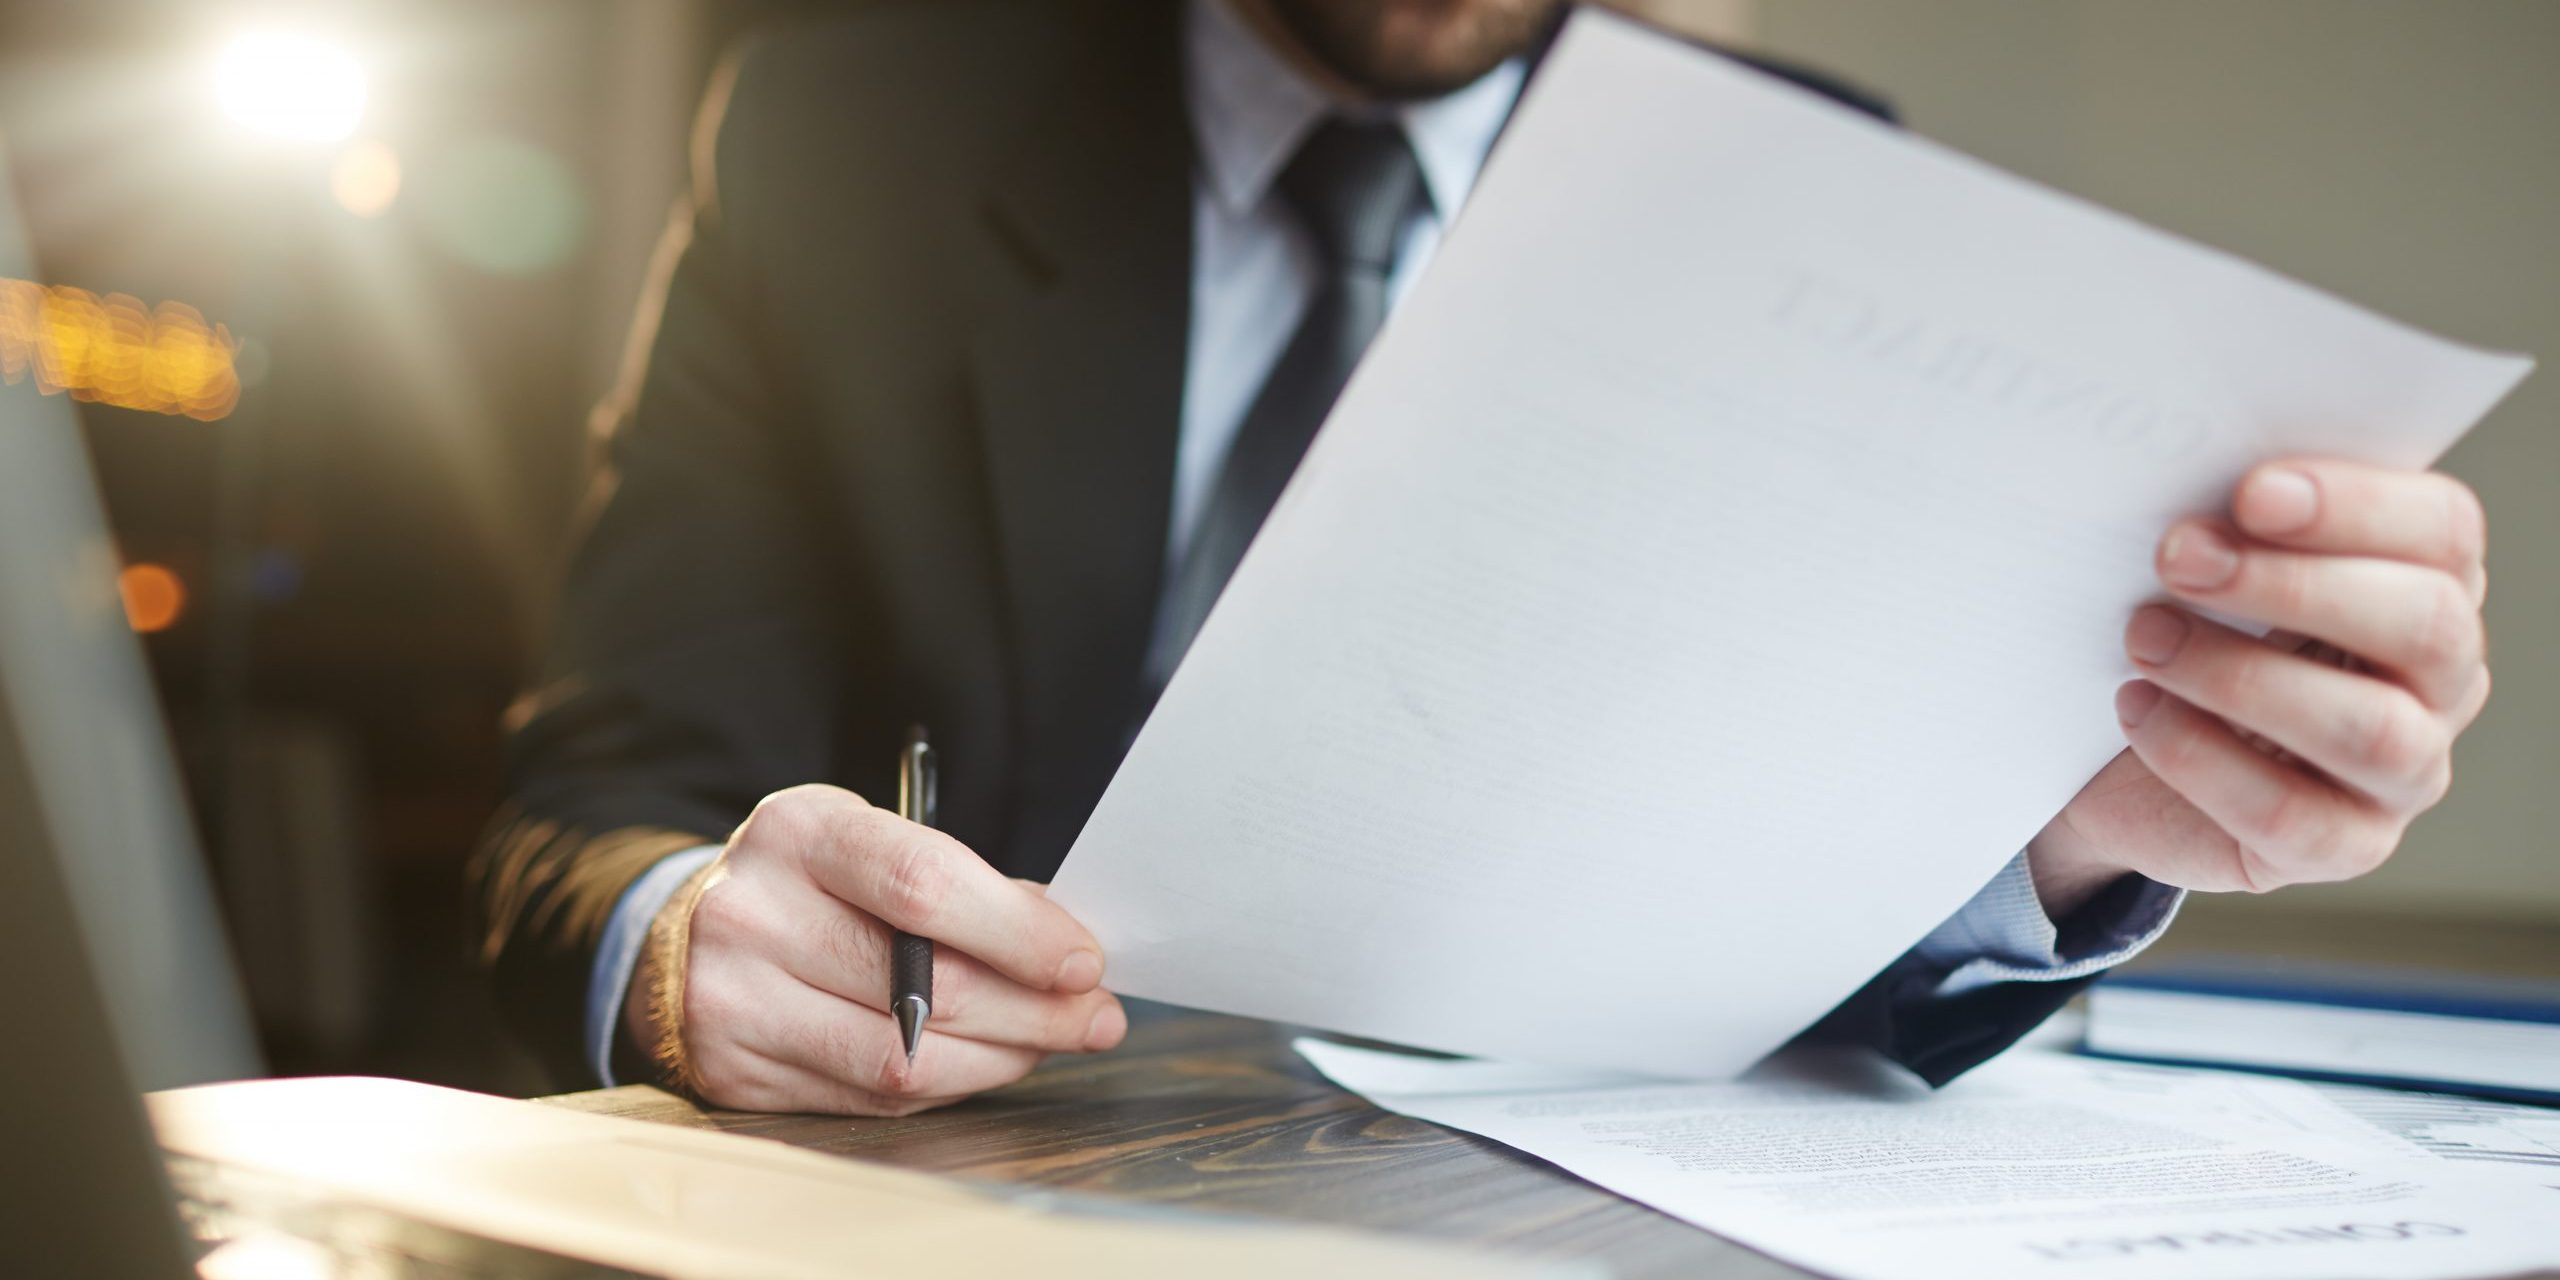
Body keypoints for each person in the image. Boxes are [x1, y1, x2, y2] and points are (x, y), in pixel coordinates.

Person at [470, 0, 2494, 1115]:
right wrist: (670, 943)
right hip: (950, 1194)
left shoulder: (1807, 184)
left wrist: (2058, 831)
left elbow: (1784, 901)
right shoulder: (848, 131)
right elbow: (587, 803)